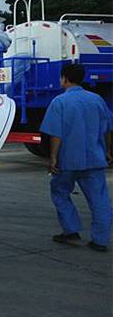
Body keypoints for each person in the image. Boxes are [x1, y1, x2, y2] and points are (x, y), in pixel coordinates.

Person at [40, 63, 113, 252]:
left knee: (60, 192)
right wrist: (108, 150)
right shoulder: (97, 100)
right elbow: (107, 129)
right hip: (95, 158)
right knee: (99, 199)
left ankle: (71, 230)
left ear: (64, 78)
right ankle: (100, 241)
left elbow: (56, 134)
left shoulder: (59, 102)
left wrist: (53, 158)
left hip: (68, 160)